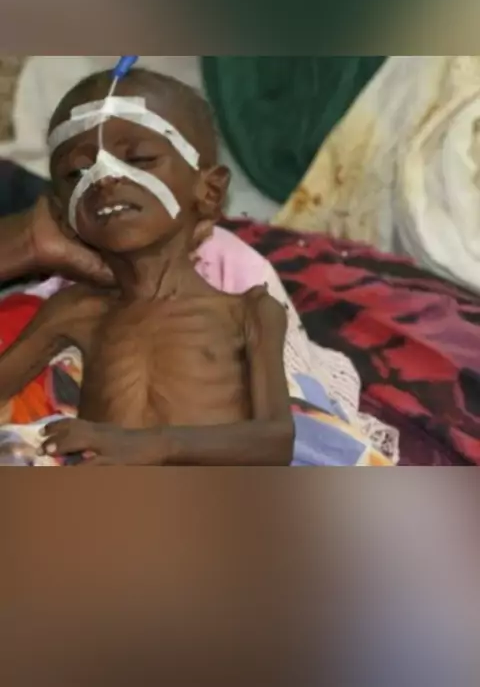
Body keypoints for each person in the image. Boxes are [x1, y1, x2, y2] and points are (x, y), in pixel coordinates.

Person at [0, 68, 294, 466]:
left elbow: (275, 441)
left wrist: (150, 446)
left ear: (209, 191)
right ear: (62, 214)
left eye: (139, 158)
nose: (104, 179)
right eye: (77, 172)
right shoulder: (74, 311)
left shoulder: (248, 311)